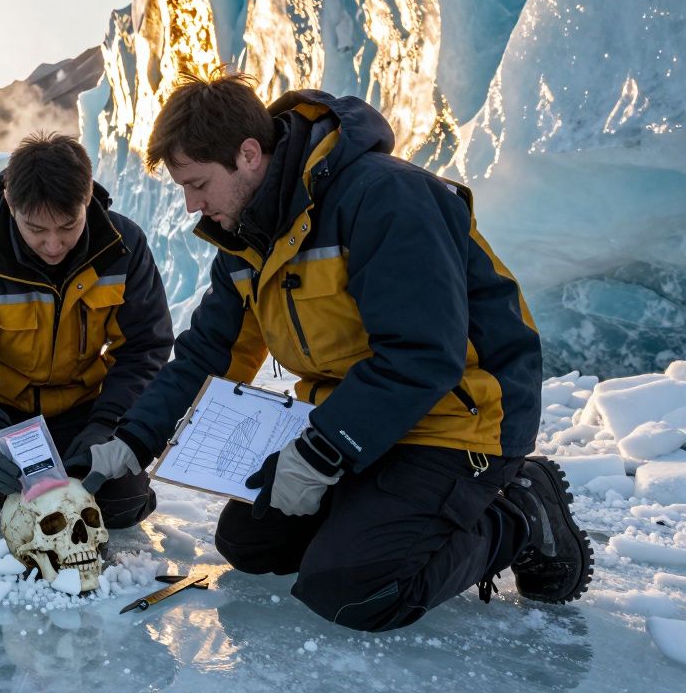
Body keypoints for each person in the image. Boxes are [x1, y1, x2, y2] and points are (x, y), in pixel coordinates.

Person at [74, 73, 594, 632]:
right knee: (249, 544)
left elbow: (423, 355)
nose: (191, 204)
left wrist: (323, 452)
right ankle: (377, 515)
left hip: (460, 418)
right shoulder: (246, 240)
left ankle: (516, 513)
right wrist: (132, 438)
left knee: (353, 592)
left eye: (197, 184)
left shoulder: (383, 197)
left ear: (248, 155)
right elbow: (207, 354)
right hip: (362, 421)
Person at [0, 132, 172, 530]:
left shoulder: (125, 247)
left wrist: (109, 423)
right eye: (37, 230)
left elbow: (145, 348)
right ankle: (1, 478)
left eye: (68, 226)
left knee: (124, 508)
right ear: (12, 204)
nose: (54, 245)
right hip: (2, 415)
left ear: (86, 200)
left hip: (88, 413)